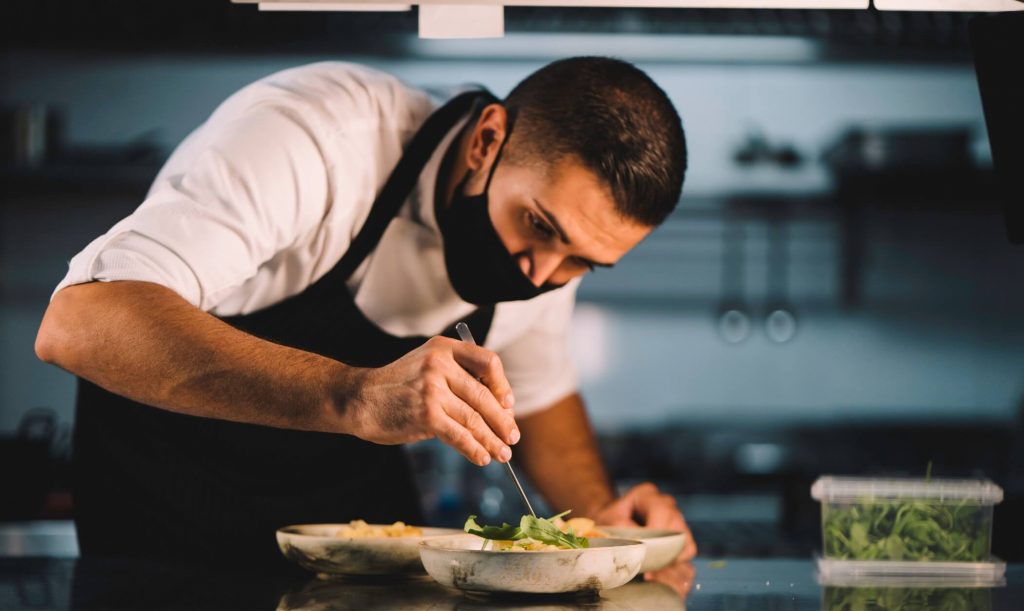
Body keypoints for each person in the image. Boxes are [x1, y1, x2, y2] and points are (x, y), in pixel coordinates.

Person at [35, 56, 696, 568]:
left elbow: (542, 393)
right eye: (539, 226)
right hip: (166, 523)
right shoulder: (316, 136)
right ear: (488, 140)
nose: (544, 276)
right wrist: (355, 393)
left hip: (346, 561)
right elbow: (80, 323)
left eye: (582, 262)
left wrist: (603, 520)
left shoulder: (549, 252)